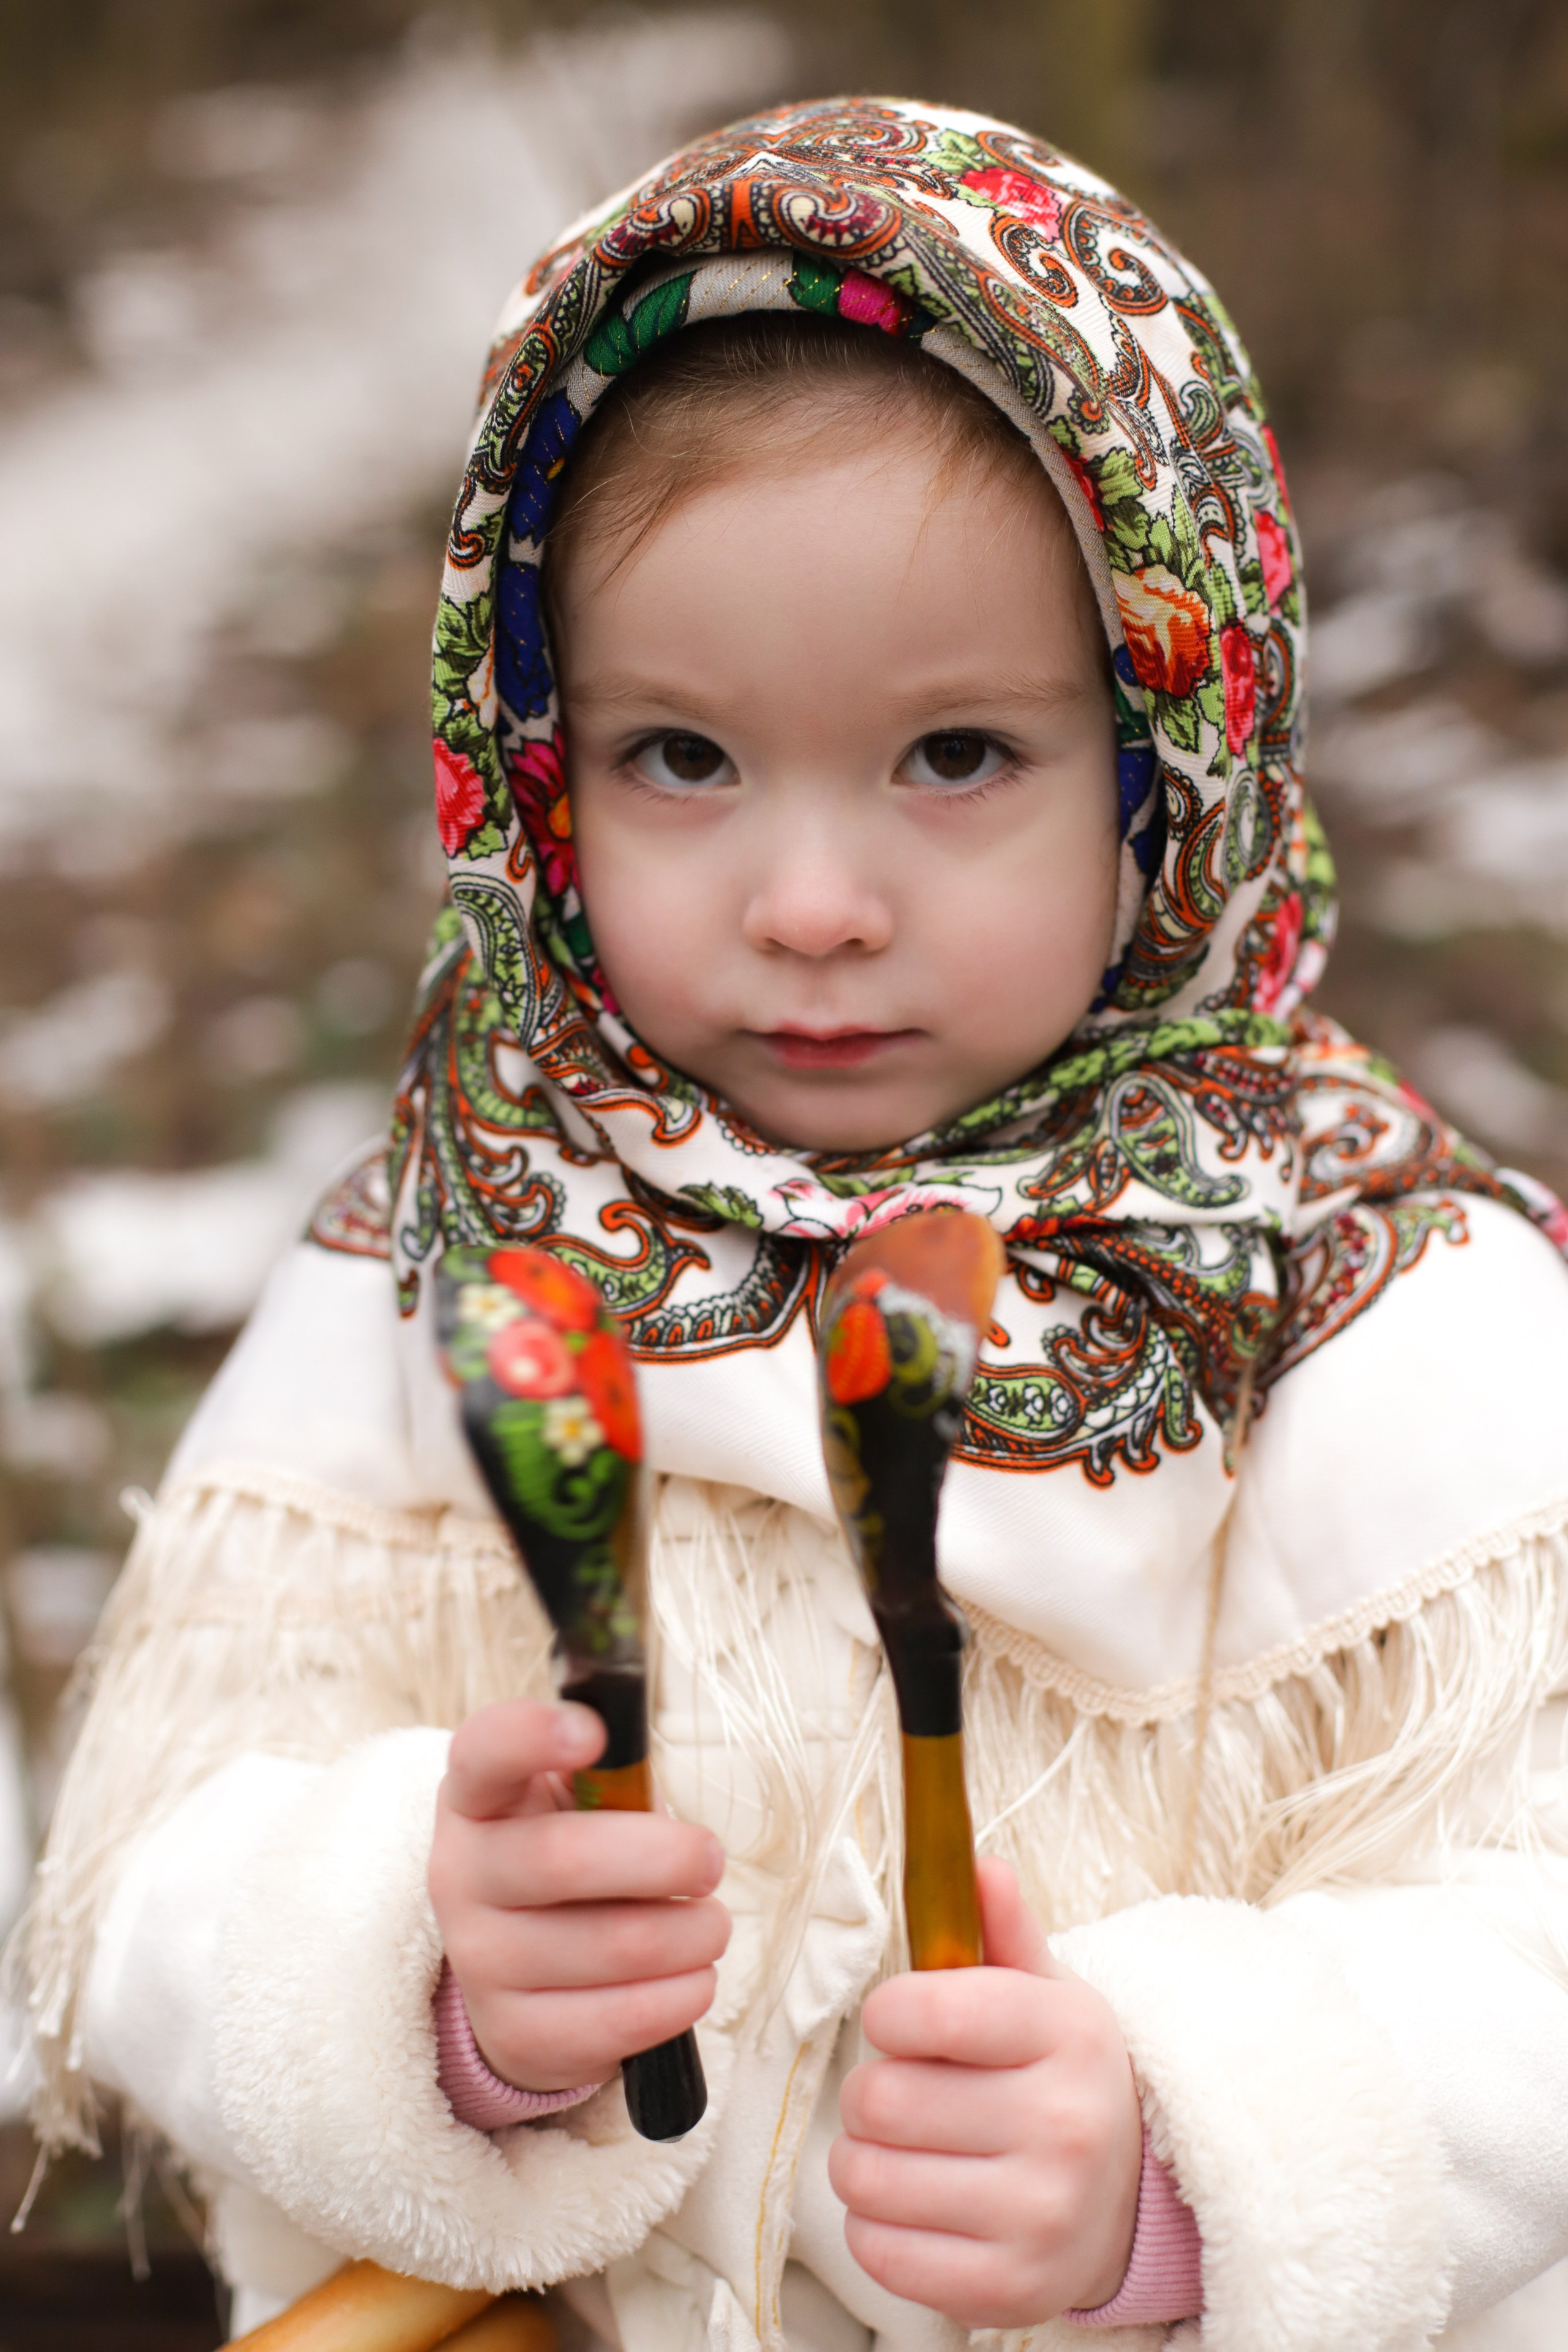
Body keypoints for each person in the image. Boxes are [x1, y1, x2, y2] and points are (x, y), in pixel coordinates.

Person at [14, 96, 1568, 2352]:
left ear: (1171, 750)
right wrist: (424, 1973)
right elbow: (150, 1862)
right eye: (682, 759)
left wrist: (1188, 2155)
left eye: (957, 757)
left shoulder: (1382, 1309)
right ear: (533, 763)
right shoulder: (454, 1258)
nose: (813, 907)